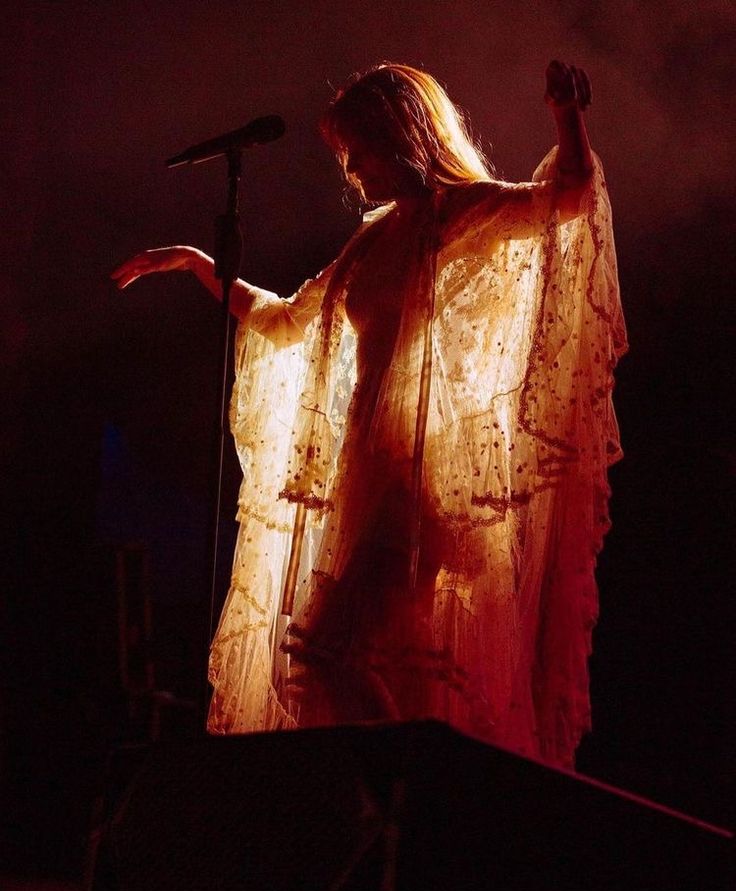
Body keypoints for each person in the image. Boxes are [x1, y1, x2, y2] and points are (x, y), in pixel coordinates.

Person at [112, 61, 626, 768]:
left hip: (412, 486)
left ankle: (405, 794)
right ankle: (399, 806)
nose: (351, 170)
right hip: (364, 479)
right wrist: (202, 265)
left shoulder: (455, 214)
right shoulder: (372, 238)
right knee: (356, 666)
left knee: (325, 652)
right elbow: (287, 319)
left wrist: (568, 116)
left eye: (359, 150)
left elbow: (565, 198)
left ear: (402, 135)